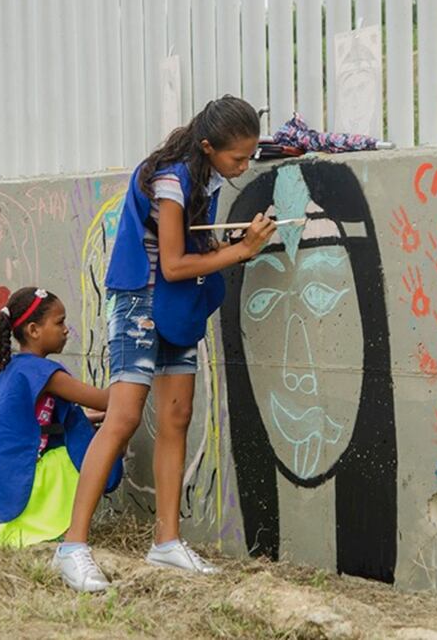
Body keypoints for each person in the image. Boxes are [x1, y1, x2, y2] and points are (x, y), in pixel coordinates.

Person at [52, 95, 276, 592]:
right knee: (124, 417)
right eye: (237, 157)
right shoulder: (173, 179)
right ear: (207, 146)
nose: (243, 167)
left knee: (176, 417)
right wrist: (241, 251)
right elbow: (171, 263)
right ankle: (72, 546)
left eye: (249, 157)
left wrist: (225, 244)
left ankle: (166, 543)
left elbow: (192, 249)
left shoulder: (207, 177)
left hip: (178, 306)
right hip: (141, 301)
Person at [0, 287, 121, 553]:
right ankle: (46, 520)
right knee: (92, 448)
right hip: (22, 483)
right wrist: (133, 369)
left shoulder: (13, 368)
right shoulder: (45, 373)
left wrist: (87, 418)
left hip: (0, 486)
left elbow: (36, 421)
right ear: (33, 330)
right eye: (59, 322)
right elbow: (108, 400)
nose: (66, 329)